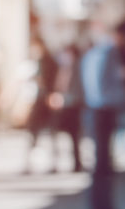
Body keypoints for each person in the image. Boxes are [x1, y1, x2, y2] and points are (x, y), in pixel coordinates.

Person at [81, 20, 125, 209]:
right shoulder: (108, 52)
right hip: (102, 112)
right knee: (102, 166)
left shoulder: (98, 51)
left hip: (100, 111)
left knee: (104, 165)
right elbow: (99, 87)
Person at [24, 36, 59, 174]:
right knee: (43, 133)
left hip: (44, 100)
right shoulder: (45, 61)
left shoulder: (46, 62)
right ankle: (36, 163)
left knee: (39, 132)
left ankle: (36, 164)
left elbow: (45, 81)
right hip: (43, 99)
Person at [49, 43, 85, 173]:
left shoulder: (77, 68)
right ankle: (55, 163)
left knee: (74, 137)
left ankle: (77, 163)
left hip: (72, 107)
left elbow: (78, 90)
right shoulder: (63, 68)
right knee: (56, 135)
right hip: (62, 107)